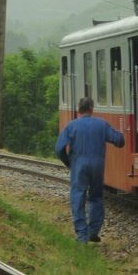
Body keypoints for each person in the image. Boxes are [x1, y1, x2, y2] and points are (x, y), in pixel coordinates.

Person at [55, 97, 125, 243]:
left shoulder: (71, 126)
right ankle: (93, 231)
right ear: (92, 109)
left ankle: (81, 234)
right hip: (97, 165)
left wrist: (68, 162)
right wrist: (121, 132)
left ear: (78, 110)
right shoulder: (101, 124)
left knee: (78, 197)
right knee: (96, 197)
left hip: (79, 164)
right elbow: (119, 141)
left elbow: (59, 149)